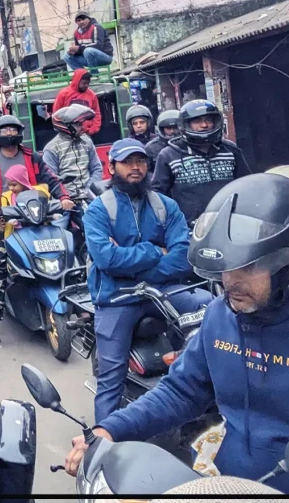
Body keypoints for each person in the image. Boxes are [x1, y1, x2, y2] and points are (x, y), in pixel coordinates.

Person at [66, 172, 289, 495]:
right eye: (226, 267)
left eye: (248, 267)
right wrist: (109, 429)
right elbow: (181, 391)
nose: (231, 281)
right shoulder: (220, 316)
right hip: (224, 485)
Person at [82, 139, 213, 423]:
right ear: (112, 166)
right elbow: (106, 260)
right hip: (117, 298)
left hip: (161, 291)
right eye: (127, 162)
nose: (136, 168)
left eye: (140, 161)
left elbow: (182, 258)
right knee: (110, 378)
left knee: (208, 304)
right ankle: (104, 444)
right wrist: (155, 251)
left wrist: (132, 264)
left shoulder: (166, 206)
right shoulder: (98, 210)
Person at [0, 115, 73, 352]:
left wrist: (65, 197)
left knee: (68, 252)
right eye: (4, 129)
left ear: (19, 132)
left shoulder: (33, 156)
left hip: (37, 220)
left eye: (13, 129)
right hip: (1, 226)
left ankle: (81, 310)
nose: (9, 133)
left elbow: (52, 179)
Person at [152, 100, 250, 226]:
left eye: (208, 120)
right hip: (190, 229)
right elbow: (158, 196)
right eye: (197, 121)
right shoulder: (169, 155)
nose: (204, 125)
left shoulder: (231, 150)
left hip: (231, 223)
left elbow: (247, 185)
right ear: (185, 125)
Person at [42, 104, 103, 205]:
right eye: (78, 124)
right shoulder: (51, 149)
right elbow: (51, 180)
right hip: (65, 202)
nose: (82, 127)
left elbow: (97, 168)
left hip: (90, 197)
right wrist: (65, 197)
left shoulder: (87, 141)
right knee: (58, 221)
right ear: (66, 125)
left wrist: (89, 190)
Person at [0, 165, 51, 240]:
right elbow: (4, 217)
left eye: (14, 185)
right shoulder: (6, 197)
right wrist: (1, 224)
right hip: (15, 235)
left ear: (23, 182)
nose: (11, 188)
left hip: (38, 232)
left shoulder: (38, 193)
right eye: (9, 185)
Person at [51, 68, 102, 136]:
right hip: (67, 134)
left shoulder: (92, 95)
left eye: (88, 83)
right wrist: (65, 130)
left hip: (86, 134)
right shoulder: (63, 94)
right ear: (77, 81)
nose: (86, 85)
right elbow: (56, 114)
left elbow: (96, 114)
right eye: (84, 83)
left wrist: (92, 130)